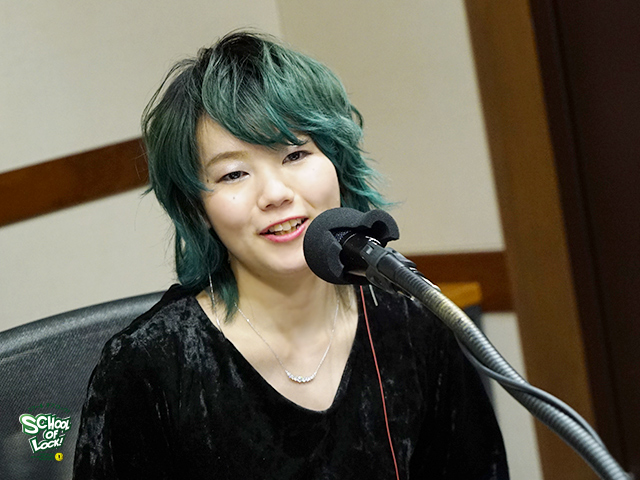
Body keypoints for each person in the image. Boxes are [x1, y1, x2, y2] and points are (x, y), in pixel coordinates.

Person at [73, 31, 509, 479]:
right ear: (197, 209)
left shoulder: (415, 328)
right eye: (234, 174)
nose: (276, 194)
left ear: (337, 164)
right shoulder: (149, 369)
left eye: (296, 154)